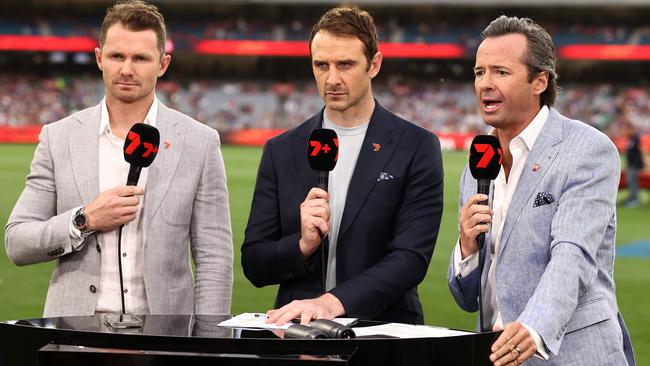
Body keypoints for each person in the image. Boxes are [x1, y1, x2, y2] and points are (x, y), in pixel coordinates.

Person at [4, 0, 233, 317]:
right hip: (75, 332)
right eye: (117, 56)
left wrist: (207, 343)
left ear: (162, 64)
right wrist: (84, 220)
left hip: (164, 335)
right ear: (100, 58)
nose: (127, 69)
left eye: (140, 58)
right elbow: (18, 242)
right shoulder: (58, 137)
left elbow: (214, 257)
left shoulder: (200, 142)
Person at [447, 15, 635, 365]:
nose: (485, 83)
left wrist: (533, 328)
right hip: (496, 355)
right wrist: (466, 246)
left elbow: (572, 254)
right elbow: (466, 299)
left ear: (539, 81)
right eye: (479, 72)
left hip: (573, 355)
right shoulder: (477, 167)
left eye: (501, 72)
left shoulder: (587, 149)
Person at [241, 6, 443, 325]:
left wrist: (332, 303)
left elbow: (410, 259)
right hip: (298, 332)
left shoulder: (416, 146)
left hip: (384, 334)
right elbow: (254, 262)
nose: (332, 79)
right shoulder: (281, 150)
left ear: (373, 65)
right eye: (321, 65)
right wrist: (302, 245)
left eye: (345, 65)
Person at [624, 123, 645, 208]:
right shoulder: (630, 139)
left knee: (633, 182)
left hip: (635, 164)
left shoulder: (635, 138)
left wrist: (643, 162)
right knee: (630, 181)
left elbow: (640, 150)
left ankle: (635, 200)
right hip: (631, 164)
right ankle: (632, 198)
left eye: (628, 129)